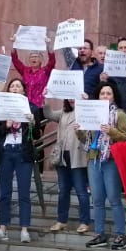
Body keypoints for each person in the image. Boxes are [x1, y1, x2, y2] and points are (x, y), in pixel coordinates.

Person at [0, 75, 41, 243]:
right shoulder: (1, 108)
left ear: (24, 90)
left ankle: (24, 229)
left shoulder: (32, 107)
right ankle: (2, 228)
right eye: (12, 86)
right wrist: (6, 126)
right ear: (8, 90)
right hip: (6, 153)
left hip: (23, 153)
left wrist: (33, 123)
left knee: (24, 193)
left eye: (18, 86)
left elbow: (37, 135)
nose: (15, 89)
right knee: (5, 193)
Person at [85, 81, 126, 249]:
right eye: (102, 93)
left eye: (108, 93)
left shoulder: (120, 114)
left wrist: (110, 131)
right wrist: (78, 130)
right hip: (94, 158)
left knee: (113, 198)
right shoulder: (91, 113)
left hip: (111, 159)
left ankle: (120, 234)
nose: (105, 96)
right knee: (97, 199)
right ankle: (99, 233)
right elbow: (86, 139)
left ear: (114, 96)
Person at [44, 97, 91, 234]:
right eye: (69, 97)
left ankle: (84, 222)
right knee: (63, 190)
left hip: (77, 155)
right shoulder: (64, 112)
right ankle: (61, 220)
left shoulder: (85, 112)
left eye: (74, 97)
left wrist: (85, 101)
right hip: (62, 156)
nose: (72, 100)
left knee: (81, 190)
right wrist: (46, 99)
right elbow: (49, 114)